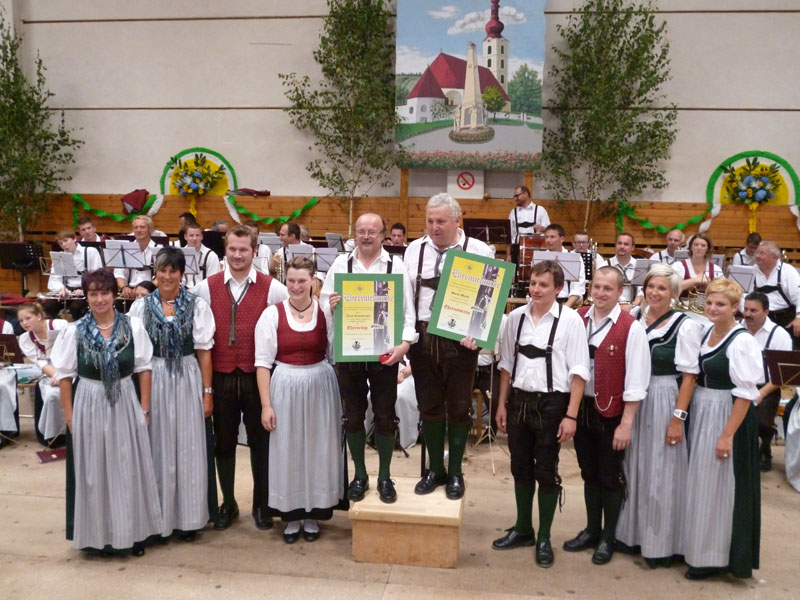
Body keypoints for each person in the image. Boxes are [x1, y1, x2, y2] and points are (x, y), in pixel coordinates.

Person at [52, 269, 161, 556]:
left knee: (127, 466)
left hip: (125, 398)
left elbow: (144, 369)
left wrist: (144, 409)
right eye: (93, 294)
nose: (99, 299)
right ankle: (99, 537)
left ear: (114, 295)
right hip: (89, 400)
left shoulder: (133, 326)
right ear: (86, 297)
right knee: (95, 468)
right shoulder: (74, 331)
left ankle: (132, 534)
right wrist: (70, 416)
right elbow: (65, 377)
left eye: (104, 293)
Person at [492, 261, 590, 568]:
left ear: (558, 289)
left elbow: (579, 372)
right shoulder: (515, 318)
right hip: (518, 401)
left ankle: (544, 536)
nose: (536, 290)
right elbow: (506, 365)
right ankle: (523, 529)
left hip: (552, 404)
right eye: (533, 283)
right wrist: (501, 405)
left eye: (543, 285)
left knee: (546, 471)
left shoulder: (571, 321)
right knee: (519, 467)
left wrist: (571, 416)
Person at [194, 225, 288, 531]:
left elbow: (292, 316)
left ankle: (261, 504)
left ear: (254, 251)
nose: (237, 255)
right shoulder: (205, 288)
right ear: (225, 250)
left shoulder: (273, 288)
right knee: (223, 443)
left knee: (261, 443)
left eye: (243, 250)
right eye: (232, 249)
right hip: (221, 376)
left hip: (257, 377)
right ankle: (229, 502)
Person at [321, 213, 417, 504]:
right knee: (352, 416)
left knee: (386, 416)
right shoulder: (341, 264)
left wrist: (404, 345)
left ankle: (385, 476)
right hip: (349, 352)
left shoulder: (395, 266)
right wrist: (331, 305)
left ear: (383, 235)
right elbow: (324, 304)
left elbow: (408, 312)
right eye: (360, 231)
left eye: (371, 231)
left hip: (384, 353)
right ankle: (360, 475)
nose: (365, 236)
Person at [404, 193, 494, 499]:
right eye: (430, 221)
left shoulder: (479, 250)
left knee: (458, 407)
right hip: (423, 338)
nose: (434, 227)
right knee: (428, 405)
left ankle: (455, 471)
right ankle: (435, 470)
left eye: (441, 221)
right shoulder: (414, 250)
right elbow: (405, 299)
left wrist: (478, 335)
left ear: (457, 220)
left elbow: (489, 298)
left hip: (462, 341)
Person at [615, 264, 701, 568]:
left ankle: (660, 544)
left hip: (663, 395)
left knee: (661, 471)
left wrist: (677, 419)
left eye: (662, 288)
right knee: (634, 465)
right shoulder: (633, 318)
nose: (654, 292)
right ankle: (632, 534)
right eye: (651, 286)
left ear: (673, 293)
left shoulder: (685, 325)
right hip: (632, 396)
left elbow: (689, 377)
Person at [256, 256, 346, 542]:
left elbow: (335, 353)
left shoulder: (325, 312)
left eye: (302, 281)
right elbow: (262, 363)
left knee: (318, 448)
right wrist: (266, 405)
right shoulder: (272, 314)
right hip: (285, 385)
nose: (296, 286)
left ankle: (312, 514)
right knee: (288, 448)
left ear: (313, 282)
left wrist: (339, 317)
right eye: (291, 281)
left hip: (320, 385)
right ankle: (291, 515)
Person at [563, 266, 650, 565]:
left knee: (609, 476)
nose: (600, 293)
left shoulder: (631, 327)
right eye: (597, 286)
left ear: (620, 292)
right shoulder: (577, 317)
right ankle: (591, 530)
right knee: (588, 472)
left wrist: (626, 423)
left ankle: (608, 537)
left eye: (608, 288)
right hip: (581, 408)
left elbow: (637, 379)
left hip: (612, 412)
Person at [128, 248, 215, 541]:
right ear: (155, 272)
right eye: (162, 270)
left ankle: (188, 519)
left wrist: (207, 392)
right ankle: (158, 519)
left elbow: (204, 351)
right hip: (153, 376)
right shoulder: (141, 307)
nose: (167, 276)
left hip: (188, 376)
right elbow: (136, 354)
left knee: (188, 446)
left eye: (173, 271)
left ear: (181, 274)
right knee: (157, 445)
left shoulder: (197, 305)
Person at [682, 278, 762, 580]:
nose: (713, 308)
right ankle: (699, 549)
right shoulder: (708, 332)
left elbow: (745, 394)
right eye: (710, 303)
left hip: (726, 414)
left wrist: (727, 435)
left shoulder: (742, 341)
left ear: (735, 307)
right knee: (703, 482)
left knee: (721, 486)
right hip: (704, 409)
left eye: (721, 304)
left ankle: (715, 557)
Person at [741, 292, 792, 472]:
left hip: (767, 387)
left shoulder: (780, 335)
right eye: (745, 309)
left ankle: (765, 447)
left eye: (753, 310)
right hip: (738, 385)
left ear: (766, 312)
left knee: (761, 423)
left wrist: (761, 394)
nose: (747, 314)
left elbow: (782, 375)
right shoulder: (737, 328)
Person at [17, 302, 69, 446]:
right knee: (52, 395)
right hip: (52, 372)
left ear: (39, 316)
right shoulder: (25, 339)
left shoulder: (59, 325)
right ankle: (53, 435)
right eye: (21, 320)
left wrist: (64, 375)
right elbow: (42, 363)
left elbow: (73, 351)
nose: (24, 323)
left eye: (28, 318)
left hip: (71, 366)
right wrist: (57, 375)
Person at [751, 241, 800, 347]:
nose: (757, 256)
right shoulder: (752, 271)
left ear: (775, 257)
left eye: (762, 253)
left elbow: (799, 297)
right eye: (757, 253)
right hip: (763, 320)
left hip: (787, 320)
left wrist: (798, 318)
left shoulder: (788, 271)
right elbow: (744, 296)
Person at [47, 228, 103, 320]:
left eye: (65, 241)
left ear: (74, 239)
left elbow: (98, 276)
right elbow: (54, 280)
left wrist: (85, 289)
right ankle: (61, 326)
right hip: (67, 291)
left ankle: (80, 328)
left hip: (86, 290)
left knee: (76, 308)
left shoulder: (90, 252)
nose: (64, 245)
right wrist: (61, 289)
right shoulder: (60, 256)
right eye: (60, 243)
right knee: (48, 306)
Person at [116, 215, 160, 299]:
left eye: (142, 227)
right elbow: (119, 274)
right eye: (136, 227)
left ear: (150, 229)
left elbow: (161, 277)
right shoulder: (125, 249)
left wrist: (147, 289)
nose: (138, 230)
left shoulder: (159, 250)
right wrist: (124, 288)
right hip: (130, 294)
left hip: (151, 293)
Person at [543, 224, 585, 308]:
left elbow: (578, 287)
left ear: (561, 239)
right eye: (546, 237)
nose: (548, 240)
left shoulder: (574, 257)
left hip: (567, 302)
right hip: (545, 302)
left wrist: (565, 308)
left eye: (552, 237)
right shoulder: (541, 257)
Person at [507, 185, 550, 266]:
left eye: (517, 196)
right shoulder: (513, 212)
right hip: (517, 249)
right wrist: (508, 255)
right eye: (514, 196)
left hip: (536, 249)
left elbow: (549, 230)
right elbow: (510, 235)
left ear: (525, 194)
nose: (515, 199)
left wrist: (542, 228)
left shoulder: (540, 210)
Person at [673, 233, 721, 298]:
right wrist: (696, 280)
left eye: (703, 245)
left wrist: (710, 285)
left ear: (708, 249)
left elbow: (723, 290)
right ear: (691, 247)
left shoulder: (716, 269)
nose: (699, 248)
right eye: (696, 245)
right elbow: (673, 287)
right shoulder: (679, 265)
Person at [607, 233, 642, 308]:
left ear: (632, 247)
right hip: (610, 308)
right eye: (619, 243)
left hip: (633, 308)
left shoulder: (640, 266)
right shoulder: (604, 266)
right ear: (615, 245)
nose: (622, 246)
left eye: (626, 244)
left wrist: (633, 306)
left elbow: (642, 291)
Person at [182, 222, 221, 288]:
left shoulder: (211, 256)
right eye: (191, 235)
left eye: (197, 235)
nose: (194, 238)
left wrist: (195, 290)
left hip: (203, 292)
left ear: (202, 237)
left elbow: (213, 282)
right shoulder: (179, 254)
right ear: (185, 237)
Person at [0, 317, 18, 448]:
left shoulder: (5, 325)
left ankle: (4, 430)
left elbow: (9, 355)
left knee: (1, 386)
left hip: (2, 367)